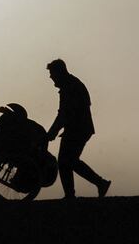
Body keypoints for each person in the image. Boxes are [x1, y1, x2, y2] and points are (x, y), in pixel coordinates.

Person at [46, 59, 111, 199]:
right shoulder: (71, 84)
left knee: (65, 161)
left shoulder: (70, 87)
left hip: (78, 129)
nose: (51, 77)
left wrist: (52, 131)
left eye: (52, 73)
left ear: (59, 72)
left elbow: (64, 113)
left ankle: (74, 193)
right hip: (78, 128)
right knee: (70, 161)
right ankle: (99, 184)